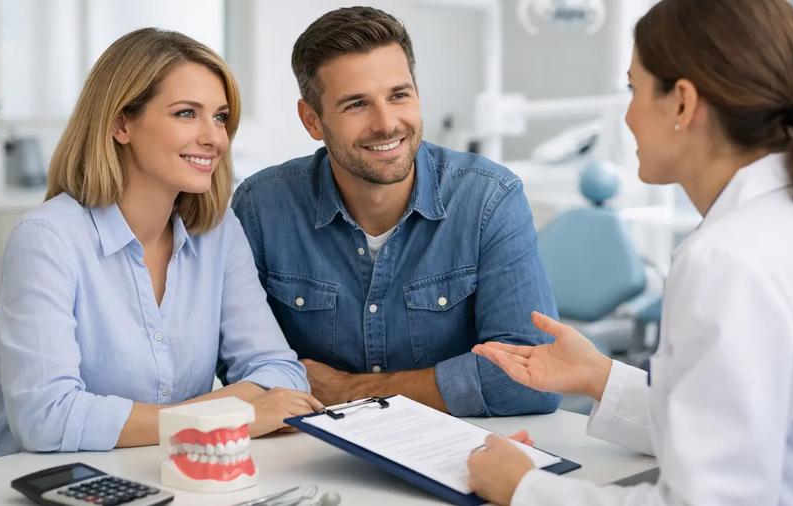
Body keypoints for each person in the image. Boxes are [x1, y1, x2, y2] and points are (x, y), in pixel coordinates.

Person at [465, 0, 793, 504]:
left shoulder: (731, 259)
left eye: (633, 89)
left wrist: (523, 487)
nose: (628, 116)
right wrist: (599, 377)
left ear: (681, 103)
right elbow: (737, 431)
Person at [0, 28, 322, 463]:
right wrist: (233, 416)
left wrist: (207, 417)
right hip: (25, 481)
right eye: (186, 113)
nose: (215, 138)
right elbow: (46, 417)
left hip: (161, 475)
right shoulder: (47, 238)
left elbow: (282, 373)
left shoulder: (217, 233)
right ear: (121, 124)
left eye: (219, 117)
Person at [230, 6, 560, 416]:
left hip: (463, 447)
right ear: (312, 120)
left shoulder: (489, 199)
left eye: (399, 95)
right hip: (307, 448)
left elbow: (534, 379)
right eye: (356, 104)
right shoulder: (261, 207)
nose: (386, 123)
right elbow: (242, 370)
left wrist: (349, 390)